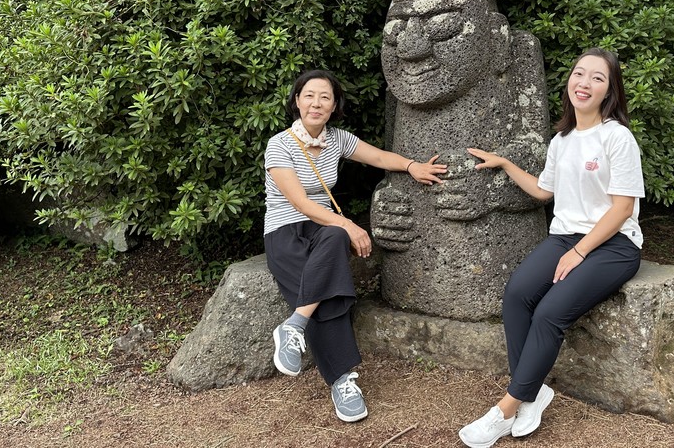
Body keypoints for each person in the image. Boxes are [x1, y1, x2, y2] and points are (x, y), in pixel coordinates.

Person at [459, 48, 645, 447]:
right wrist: (506, 164)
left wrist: (580, 253)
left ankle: (506, 408)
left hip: (614, 243)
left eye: (597, 77)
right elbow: (545, 191)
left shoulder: (617, 137)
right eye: (579, 74)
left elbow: (623, 208)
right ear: (569, 82)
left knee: (550, 312)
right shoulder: (561, 139)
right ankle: (533, 392)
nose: (585, 83)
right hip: (565, 236)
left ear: (610, 90)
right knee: (516, 295)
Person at [263, 69, 447, 423]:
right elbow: (300, 203)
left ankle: (295, 325)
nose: (316, 103)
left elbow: (378, 157)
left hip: (324, 231)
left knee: (333, 237)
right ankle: (342, 379)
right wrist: (348, 223)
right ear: (297, 101)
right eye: (309, 95)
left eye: (325, 97)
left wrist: (411, 166)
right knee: (329, 280)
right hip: (285, 232)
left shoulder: (337, 139)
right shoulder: (280, 144)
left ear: (334, 106)